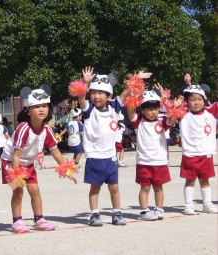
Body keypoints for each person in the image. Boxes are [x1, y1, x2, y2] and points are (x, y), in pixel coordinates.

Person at [1, 84, 75, 233]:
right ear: (28, 111)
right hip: (12, 161)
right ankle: (17, 221)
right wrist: (16, 175)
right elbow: (16, 155)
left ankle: (39, 219)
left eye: (44, 106)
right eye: (36, 106)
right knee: (19, 190)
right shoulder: (23, 128)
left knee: (35, 190)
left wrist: (66, 169)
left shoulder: (47, 130)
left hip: (27, 162)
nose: (41, 109)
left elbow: (55, 152)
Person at [76, 66, 130, 226]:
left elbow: (125, 94)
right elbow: (81, 99)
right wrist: (84, 84)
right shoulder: (89, 111)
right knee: (95, 188)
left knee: (114, 188)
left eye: (100, 93)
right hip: (94, 157)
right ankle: (94, 214)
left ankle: (117, 213)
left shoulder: (114, 109)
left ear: (109, 95)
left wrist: (135, 81)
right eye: (93, 92)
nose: (96, 96)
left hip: (111, 158)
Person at [169, 85, 218, 214]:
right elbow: (170, 121)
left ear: (204, 99)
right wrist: (175, 107)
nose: (196, 102)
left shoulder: (211, 112)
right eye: (192, 99)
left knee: (205, 181)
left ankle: (207, 204)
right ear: (187, 102)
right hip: (189, 154)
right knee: (190, 181)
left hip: (206, 154)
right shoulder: (183, 113)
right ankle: (188, 205)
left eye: (199, 99)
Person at [127, 87, 172, 221]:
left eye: (156, 109)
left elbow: (173, 118)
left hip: (160, 161)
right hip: (144, 161)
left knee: (159, 187)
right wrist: (133, 94)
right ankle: (144, 211)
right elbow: (130, 111)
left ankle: (159, 208)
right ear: (142, 110)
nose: (154, 112)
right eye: (150, 109)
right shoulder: (138, 122)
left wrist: (166, 100)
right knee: (145, 187)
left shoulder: (162, 120)